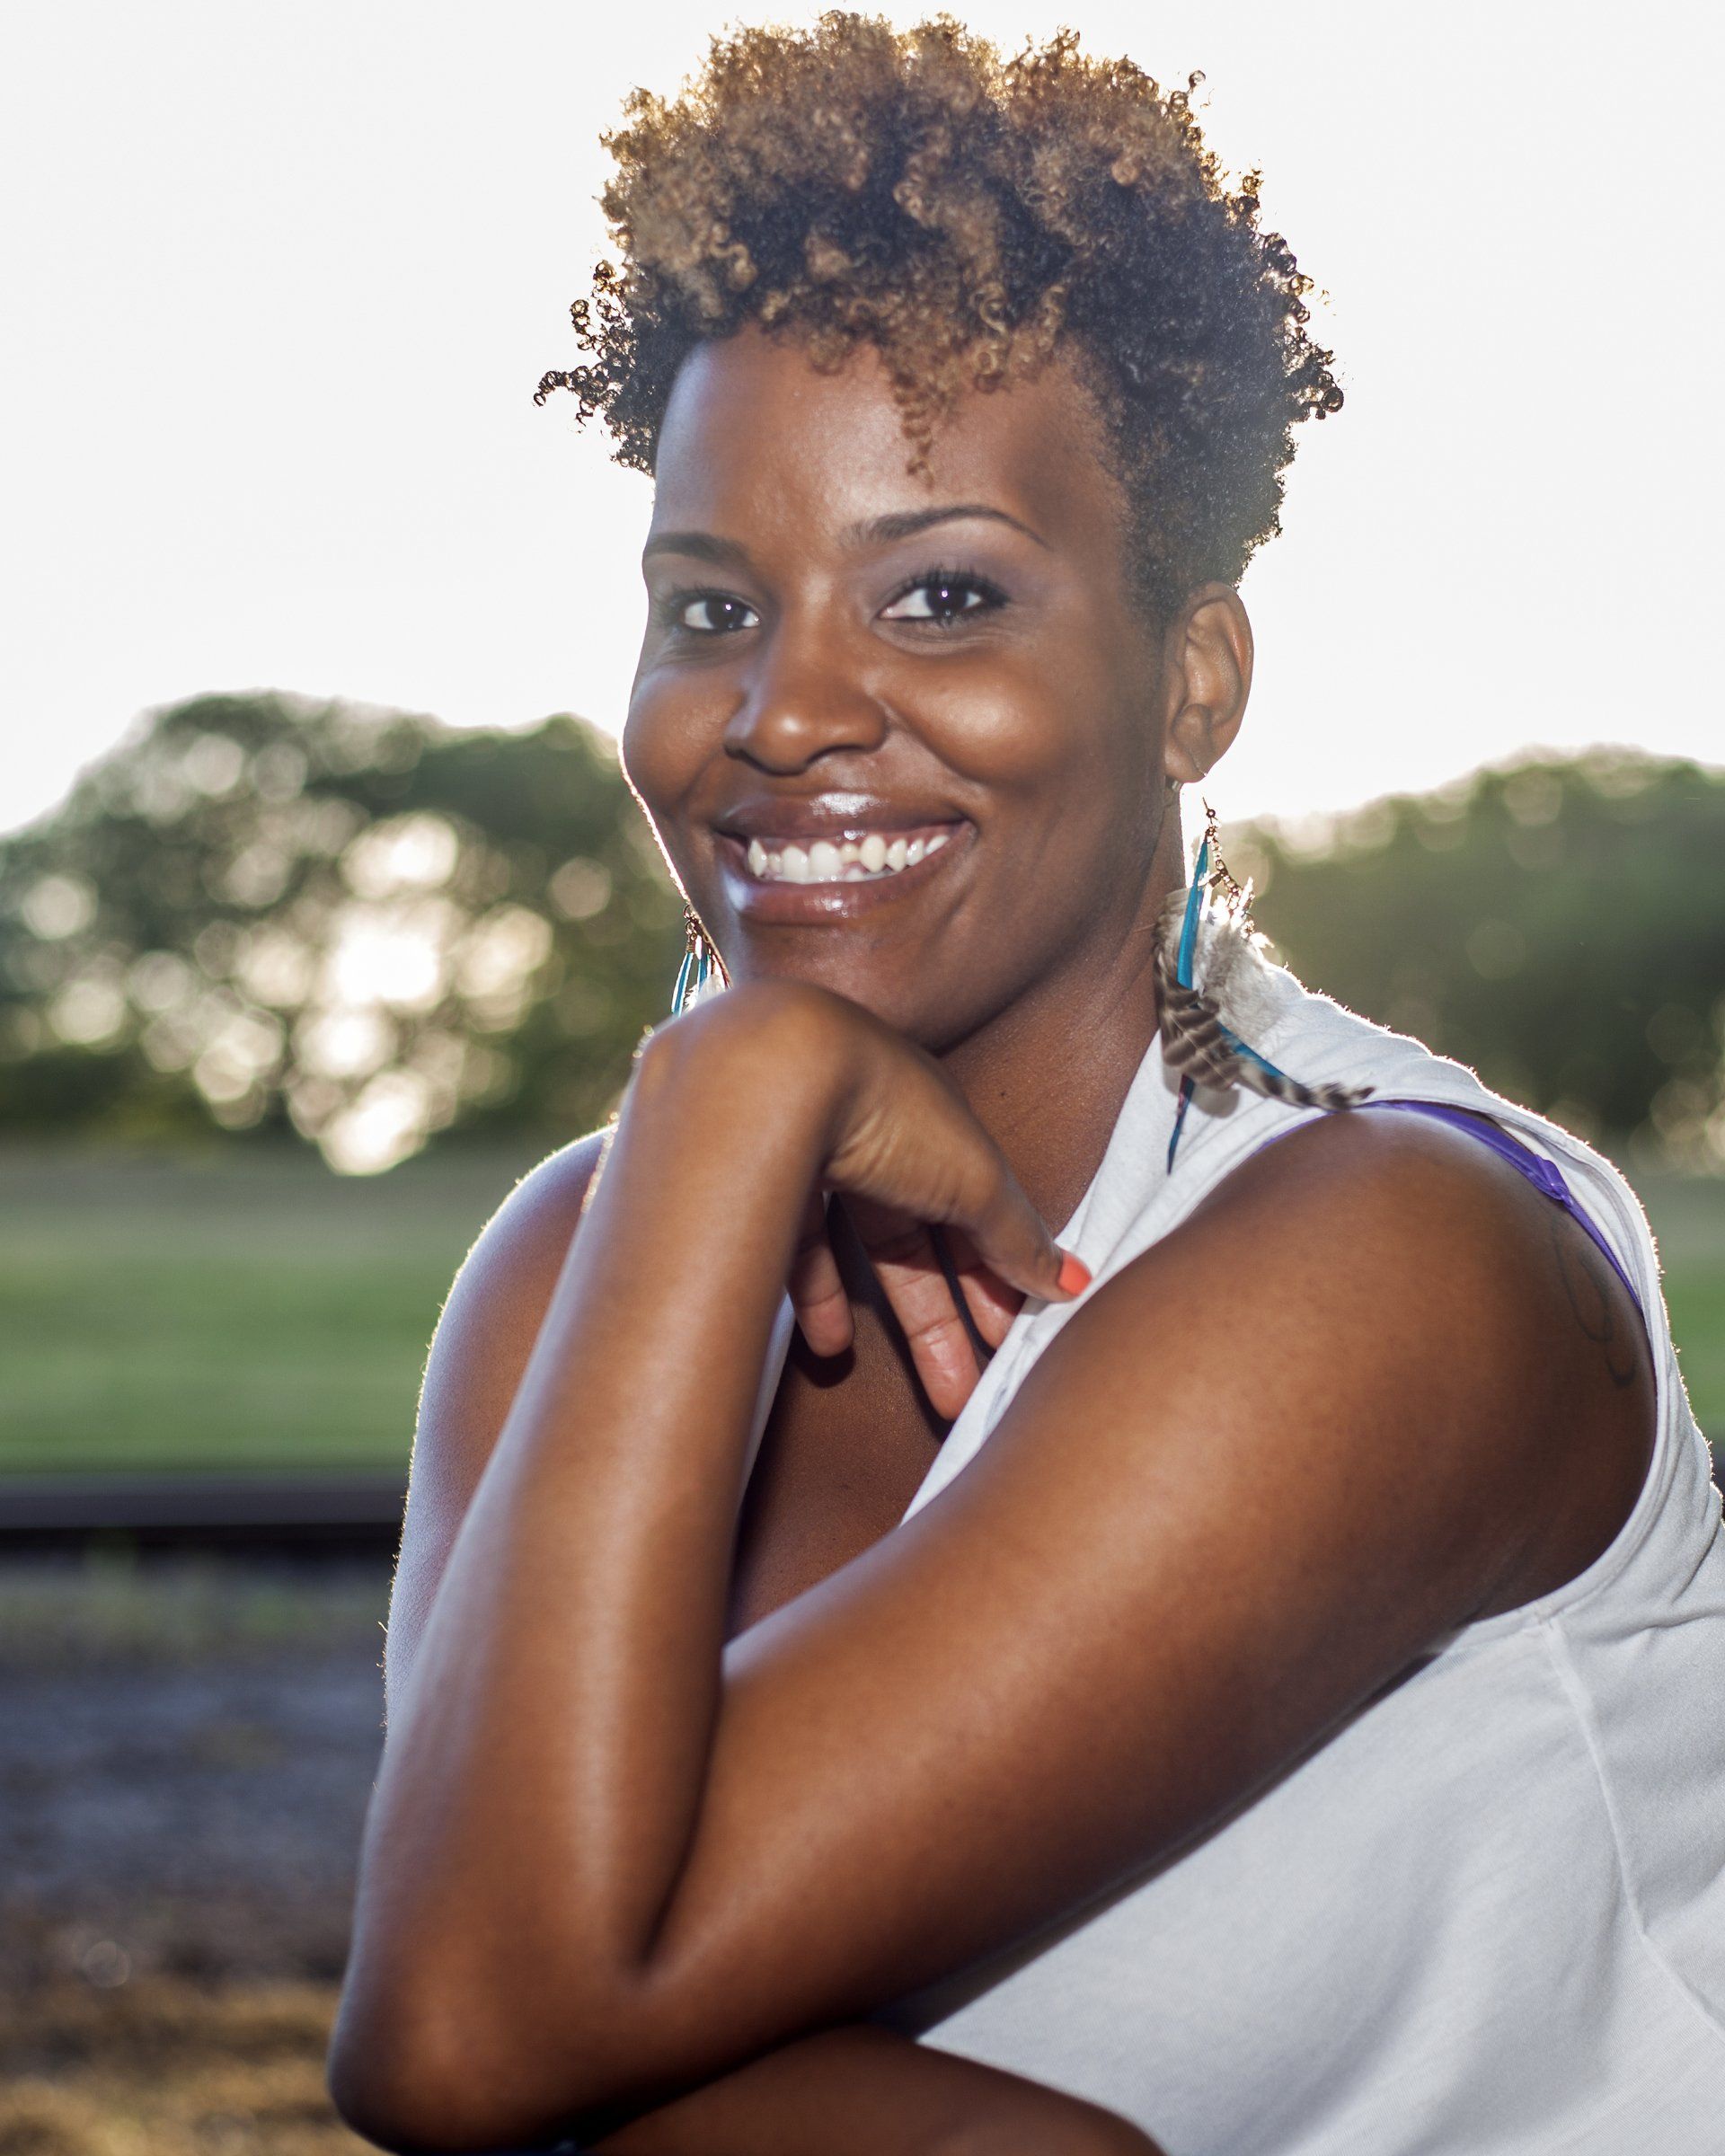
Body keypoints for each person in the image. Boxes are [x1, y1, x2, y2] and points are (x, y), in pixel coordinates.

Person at [327, 18, 1725, 2152]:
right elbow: (480, 2031)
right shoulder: (578, 1271)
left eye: (943, 594)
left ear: (1192, 678)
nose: (785, 711)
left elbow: (483, 2039)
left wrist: (722, 1095)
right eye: (714, 604)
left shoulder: (1405, 1259)